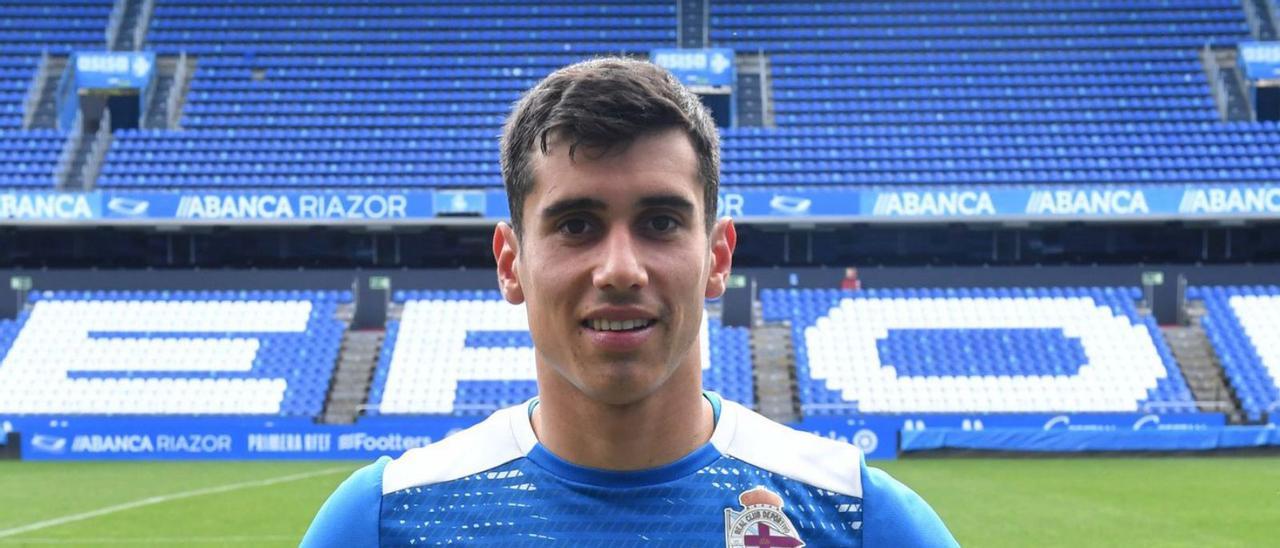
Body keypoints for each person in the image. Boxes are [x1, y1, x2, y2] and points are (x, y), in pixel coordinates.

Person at [302, 57, 956, 546]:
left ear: (718, 258)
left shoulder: (858, 518)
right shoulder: (386, 521)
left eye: (662, 222)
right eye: (576, 225)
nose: (620, 269)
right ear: (511, 263)